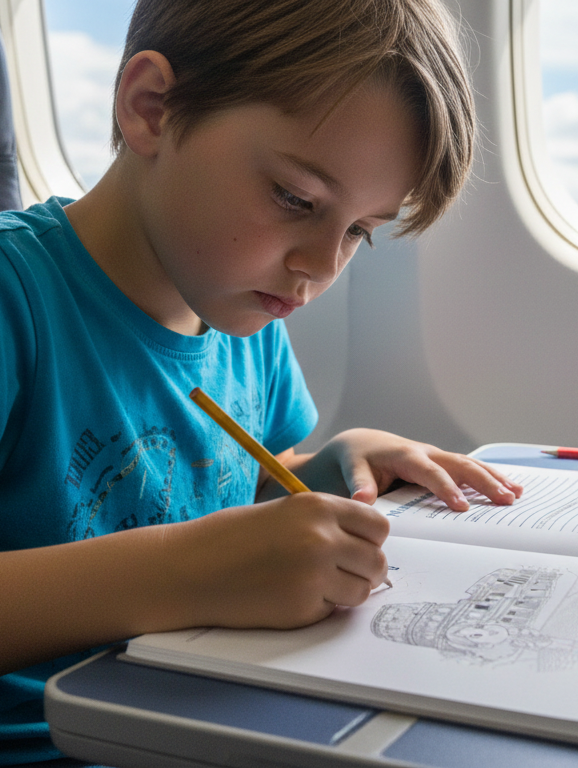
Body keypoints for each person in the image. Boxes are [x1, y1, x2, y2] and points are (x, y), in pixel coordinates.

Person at [0, 0, 523, 763]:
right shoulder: (18, 301)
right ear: (153, 109)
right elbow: (202, 550)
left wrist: (331, 472)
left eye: (358, 231)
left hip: (198, 721)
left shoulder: (245, 318)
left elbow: (226, 498)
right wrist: (188, 574)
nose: (321, 266)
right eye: (295, 200)